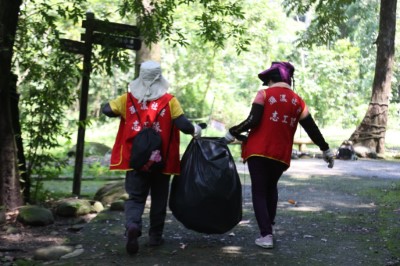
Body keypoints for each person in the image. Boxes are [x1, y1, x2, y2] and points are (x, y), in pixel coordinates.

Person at [224, 61, 334, 249]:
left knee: (259, 191)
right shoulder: (298, 101)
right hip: (280, 155)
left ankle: (266, 235)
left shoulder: (264, 94)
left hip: (258, 152)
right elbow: (311, 128)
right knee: (270, 188)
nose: (266, 85)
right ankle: (269, 227)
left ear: (271, 79)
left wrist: (233, 132)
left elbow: (253, 119)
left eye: (266, 81)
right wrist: (325, 149)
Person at [102, 60, 202, 255]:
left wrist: (119, 109)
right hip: (161, 160)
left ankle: (133, 225)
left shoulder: (127, 99)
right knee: (159, 198)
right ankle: (155, 236)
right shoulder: (170, 101)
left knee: (136, 198)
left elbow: (107, 110)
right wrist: (196, 130)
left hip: (136, 160)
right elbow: (184, 125)